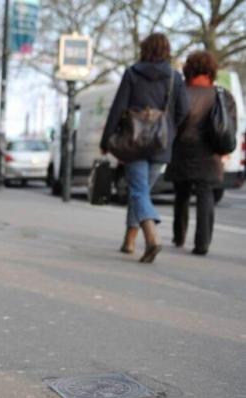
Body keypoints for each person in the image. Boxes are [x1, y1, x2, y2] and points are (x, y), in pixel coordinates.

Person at [101, 33, 189, 263]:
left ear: (144, 49)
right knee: (141, 192)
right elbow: (183, 111)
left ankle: (151, 237)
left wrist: (106, 140)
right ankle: (129, 241)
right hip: (161, 144)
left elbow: (118, 109)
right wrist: (170, 130)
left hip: (134, 142)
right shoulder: (174, 78)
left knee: (139, 192)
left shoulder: (132, 73)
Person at [169, 51, 236, 255]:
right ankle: (202, 243)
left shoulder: (180, 93)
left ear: (189, 69)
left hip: (181, 150)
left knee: (181, 194)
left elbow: (171, 123)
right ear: (212, 71)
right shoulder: (222, 95)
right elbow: (229, 126)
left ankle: (179, 236)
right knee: (206, 194)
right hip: (209, 153)